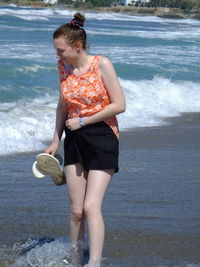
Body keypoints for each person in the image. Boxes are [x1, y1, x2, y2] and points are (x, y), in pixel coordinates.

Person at [45, 12, 126, 267]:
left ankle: (94, 263)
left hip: (102, 136)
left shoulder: (102, 64)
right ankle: (74, 260)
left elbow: (120, 105)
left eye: (61, 51)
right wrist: (55, 141)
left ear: (77, 46)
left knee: (91, 207)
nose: (57, 56)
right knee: (76, 211)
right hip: (74, 140)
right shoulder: (63, 68)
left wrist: (83, 121)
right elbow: (62, 107)